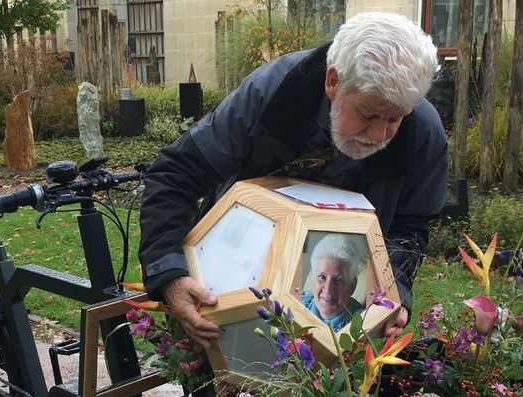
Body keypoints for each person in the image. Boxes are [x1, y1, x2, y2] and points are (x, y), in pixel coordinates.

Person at [138, 12, 446, 347]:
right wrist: (169, 275)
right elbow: (175, 174)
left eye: (394, 118)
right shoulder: (271, 93)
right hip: (232, 287)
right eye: (368, 114)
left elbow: (411, 225)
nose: (379, 134)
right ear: (333, 81)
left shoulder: (423, 133)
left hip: (340, 318)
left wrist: (394, 291)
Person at [302, 234, 367, 331]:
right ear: (313, 279)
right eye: (322, 277)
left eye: (338, 280)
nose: (328, 290)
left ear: (352, 286)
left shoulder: (363, 323)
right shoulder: (298, 302)